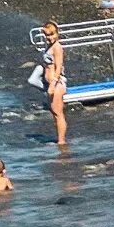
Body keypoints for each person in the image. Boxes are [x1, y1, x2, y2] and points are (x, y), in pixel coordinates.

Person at [39, 21, 70, 151]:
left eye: (52, 34)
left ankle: (62, 141)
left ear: (57, 33)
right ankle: (59, 139)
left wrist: (53, 83)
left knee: (58, 113)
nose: (50, 37)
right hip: (50, 83)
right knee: (54, 112)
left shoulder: (57, 47)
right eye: (47, 35)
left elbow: (58, 67)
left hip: (57, 83)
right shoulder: (49, 47)